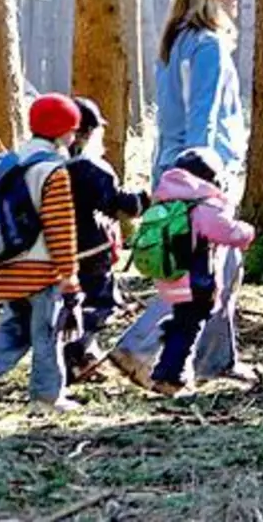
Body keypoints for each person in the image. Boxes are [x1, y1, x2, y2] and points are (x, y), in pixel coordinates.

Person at [110, 0, 255, 387]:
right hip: (200, 170)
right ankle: (138, 347)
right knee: (201, 273)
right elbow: (202, 114)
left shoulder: (176, 43)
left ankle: (216, 360)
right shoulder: (207, 46)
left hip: (174, 167)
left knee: (221, 269)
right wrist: (205, 177)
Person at [0, 94, 86, 414]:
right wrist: (69, 280)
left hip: (7, 268)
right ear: (60, 132)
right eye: (72, 129)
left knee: (16, 329)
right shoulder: (53, 171)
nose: (74, 136)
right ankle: (46, 398)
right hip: (43, 271)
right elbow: (60, 228)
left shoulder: (6, 166)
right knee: (47, 336)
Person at [142, 148, 256, 396]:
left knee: (182, 321)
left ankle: (167, 341)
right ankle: (171, 378)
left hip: (170, 278)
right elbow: (227, 232)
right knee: (189, 328)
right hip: (197, 280)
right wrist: (247, 231)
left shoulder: (165, 199)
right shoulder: (204, 204)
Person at [62, 97, 151, 382]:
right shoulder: (92, 169)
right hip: (91, 251)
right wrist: (144, 200)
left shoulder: (45, 165)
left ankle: (82, 356)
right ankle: (76, 354)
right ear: (87, 133)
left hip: (57, 251)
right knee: (101, 303)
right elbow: (116, 205)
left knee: (70, 302)